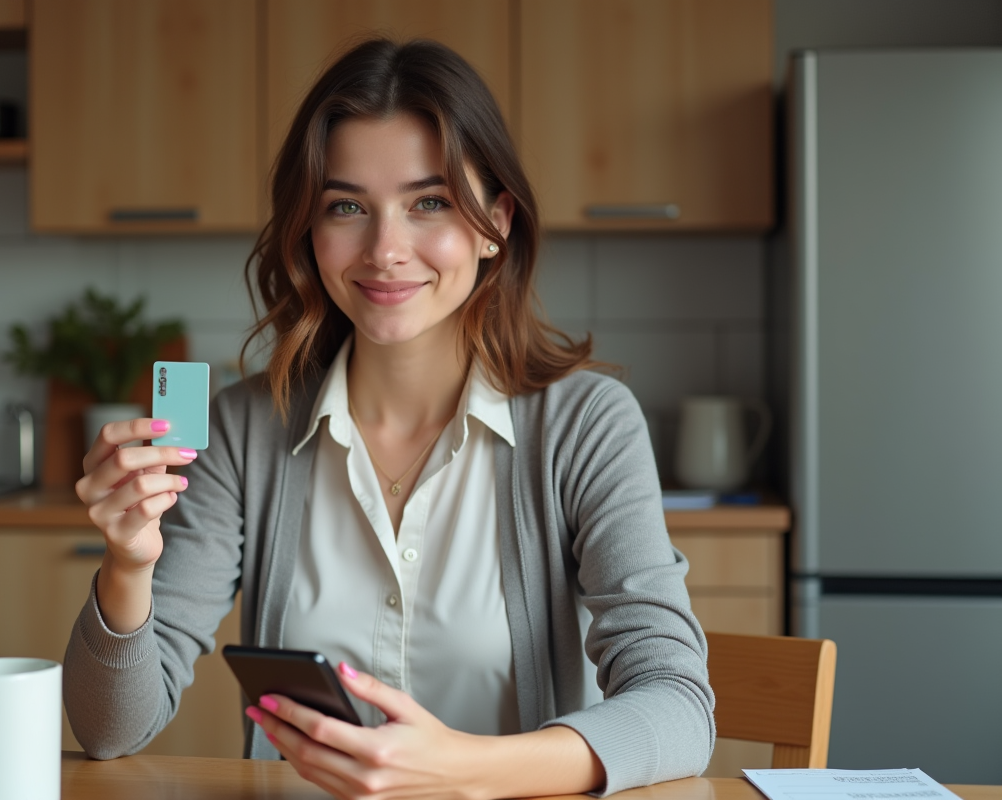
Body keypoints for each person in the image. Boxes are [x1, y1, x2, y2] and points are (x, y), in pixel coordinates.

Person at [64, 38, 714, 799]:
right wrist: (128, 567)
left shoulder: (586, 425)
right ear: (309, 228)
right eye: (347, 207)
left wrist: (464, 770)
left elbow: (679, 708)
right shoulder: (245, 431)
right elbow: (109, 730)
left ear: (494, 223)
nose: (385, 249)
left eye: (429, 203)